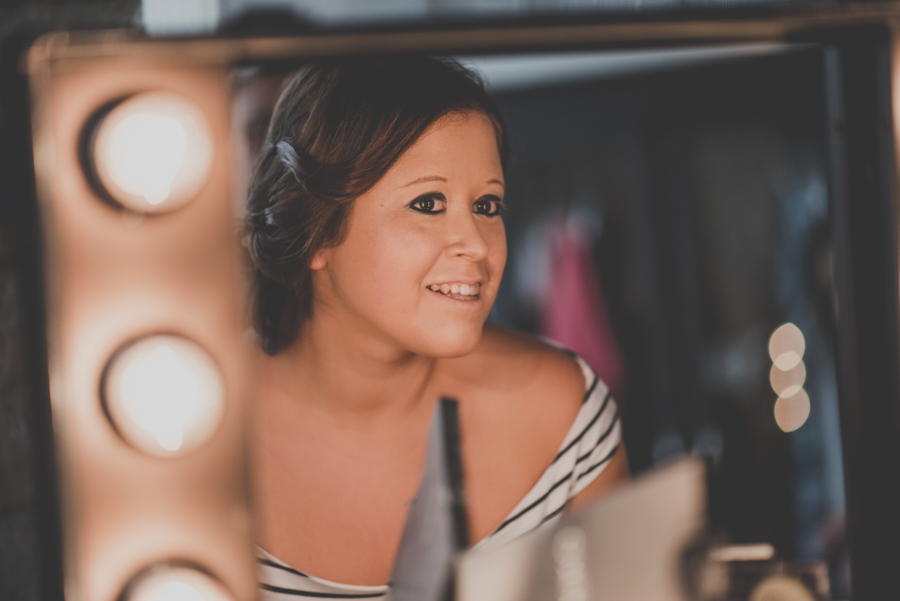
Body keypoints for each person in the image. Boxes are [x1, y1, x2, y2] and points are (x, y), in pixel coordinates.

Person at [244, 56, 629, 599]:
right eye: (429, 203)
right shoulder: (195, 430)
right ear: (312, 227)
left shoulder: (563, 413)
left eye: (487, 204)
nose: (476, 243)